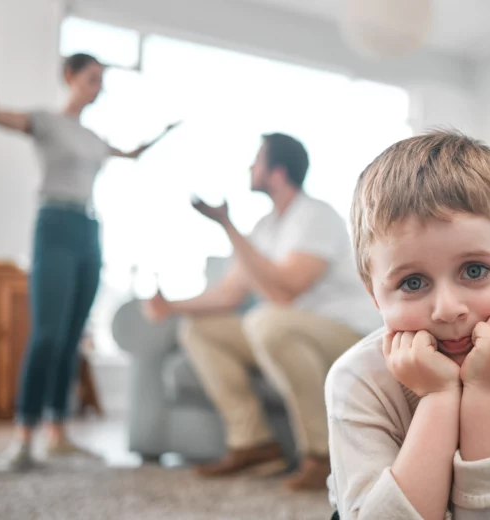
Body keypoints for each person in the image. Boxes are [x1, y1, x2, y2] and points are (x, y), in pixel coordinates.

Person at [325, 130, 490, 519]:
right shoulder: (357, 378)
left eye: (475, 270)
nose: (447, 310)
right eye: (412, 282)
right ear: (375, 295)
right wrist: (438, 397)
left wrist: (485, 394)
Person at [0, 17, 179, 473]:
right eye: (92, 79)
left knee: (72, 338)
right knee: (46, 335)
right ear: (70, 77)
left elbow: (131, 155)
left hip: (89, 231)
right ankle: (24, 436)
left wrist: (164, 133)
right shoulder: (45, 122)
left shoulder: (93, 138)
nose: (98, 88)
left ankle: (57, 434)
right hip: (55, 226)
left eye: (102, 82)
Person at [143, 133, 381, 490]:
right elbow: (228, 295)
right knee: (200, 329)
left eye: (257, 161)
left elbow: (285, 290)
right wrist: (170, 306)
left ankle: (321, 456)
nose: (250, 167)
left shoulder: (315, 215)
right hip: (284, 329)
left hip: (345, 333)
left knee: (267, 321)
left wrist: (228, 226)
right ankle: (255, 444)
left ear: (277, 171)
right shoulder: (266, 227)